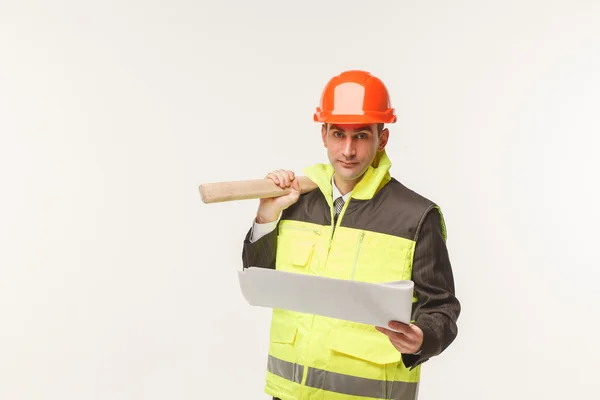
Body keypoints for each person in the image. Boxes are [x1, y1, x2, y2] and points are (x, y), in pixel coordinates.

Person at [241, 70, 460, 400]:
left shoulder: (415, 217)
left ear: (381, 139)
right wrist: (267, 214)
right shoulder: (295, 203)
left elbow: (442, 309)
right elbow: (258, 280)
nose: (347, 149)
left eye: (361, 136)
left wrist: (421, 339)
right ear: (324, 134)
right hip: (289, 394)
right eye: (339, 134)